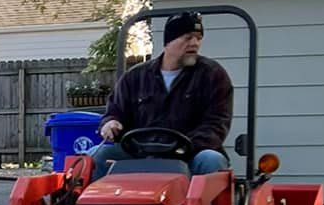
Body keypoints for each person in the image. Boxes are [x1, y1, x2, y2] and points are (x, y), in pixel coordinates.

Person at [87, 11, 233, 179]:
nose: (194, 44)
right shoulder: (135, 77)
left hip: (189, 154)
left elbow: (216, 125)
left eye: (198, 38)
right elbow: (115, 112)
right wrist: (110, 122)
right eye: (187, 38)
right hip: (138, 153)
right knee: (95, 155)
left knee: (211, 159)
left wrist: (179, 148)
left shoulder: (212, 75)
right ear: (168, 42)